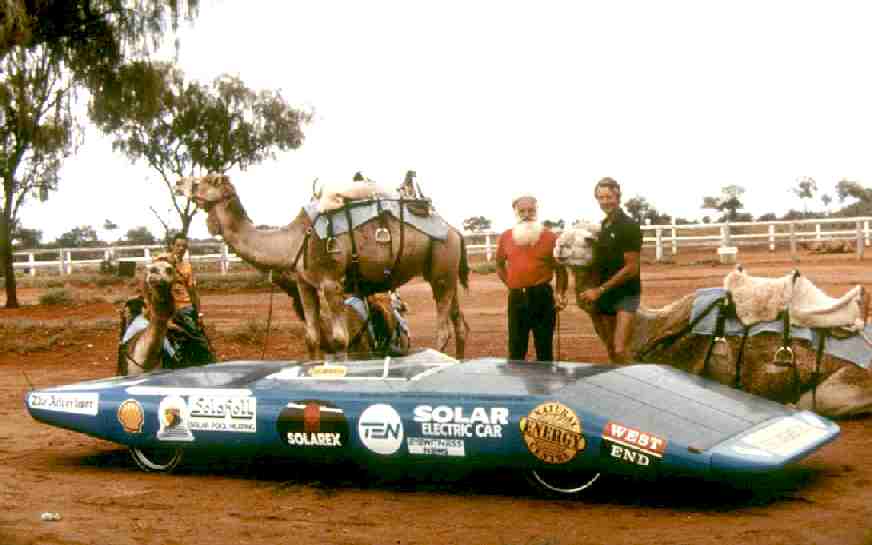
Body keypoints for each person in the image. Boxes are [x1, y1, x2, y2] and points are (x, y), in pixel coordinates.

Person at [496, 194, 568, 362]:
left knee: (544, 349)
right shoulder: (506, 237)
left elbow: (561, 269)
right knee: (516, 348)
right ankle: (516, 388)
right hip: (516, 297)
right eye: (522, 211)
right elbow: (499, 265)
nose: (527, 214)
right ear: (515, 213)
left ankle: (544, 388)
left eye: (531, 210)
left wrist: (559, 294)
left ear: (537, 211)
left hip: (542, 296)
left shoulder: (550, 237)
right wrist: (511, 284)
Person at [579, 177, 642, 363]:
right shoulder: (603, 226)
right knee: (611, 350)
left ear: (618, 196)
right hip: (605, 295)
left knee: (620, 349)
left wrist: (599, 290)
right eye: (601, 197)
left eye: (609, 197)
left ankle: (639, 387)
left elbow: (632, 268)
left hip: (625, 293)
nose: (605, 202)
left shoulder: (628, 226)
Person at [164, 233, 214, 365]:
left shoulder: (187, 267)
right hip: (166, 307)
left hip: (185, 308)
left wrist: (199, 313)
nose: (181, 249)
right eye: (178, 245)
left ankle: (207, 364)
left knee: (200, 340)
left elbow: (193, 291)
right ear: (172, 246)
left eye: (184, 246)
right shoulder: (163, 263)